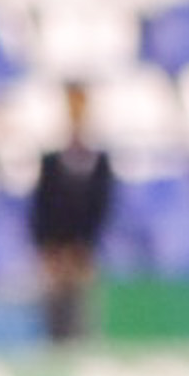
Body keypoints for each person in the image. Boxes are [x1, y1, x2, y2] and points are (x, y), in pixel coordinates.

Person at [30, 83, 114, 343]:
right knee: (53, 329)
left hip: (84, 258)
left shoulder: (99, 162)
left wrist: (83, 250)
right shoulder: (51, 162)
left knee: (82, 328)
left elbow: (103, 209)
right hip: (55, 260)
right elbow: (41, 209)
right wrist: (52, 251)